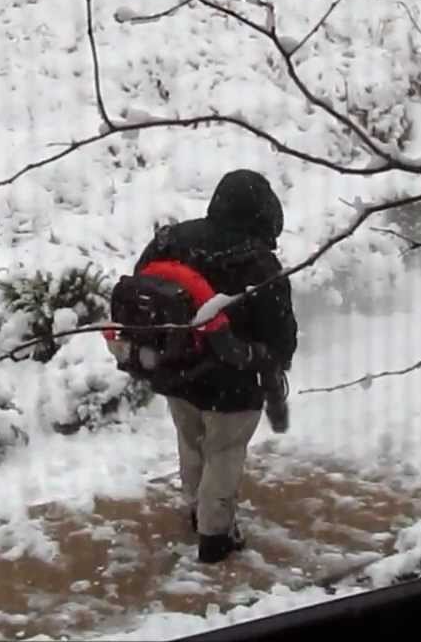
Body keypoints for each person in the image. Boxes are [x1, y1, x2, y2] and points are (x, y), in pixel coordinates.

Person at [117, 169, 298, 564]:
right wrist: (274, 364)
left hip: (176, 370)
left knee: (191, 442)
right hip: (233, 383)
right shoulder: (258, 263)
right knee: (224, 453)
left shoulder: (171, 240)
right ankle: (215, 536)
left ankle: (196, 509)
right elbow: (281, 332)